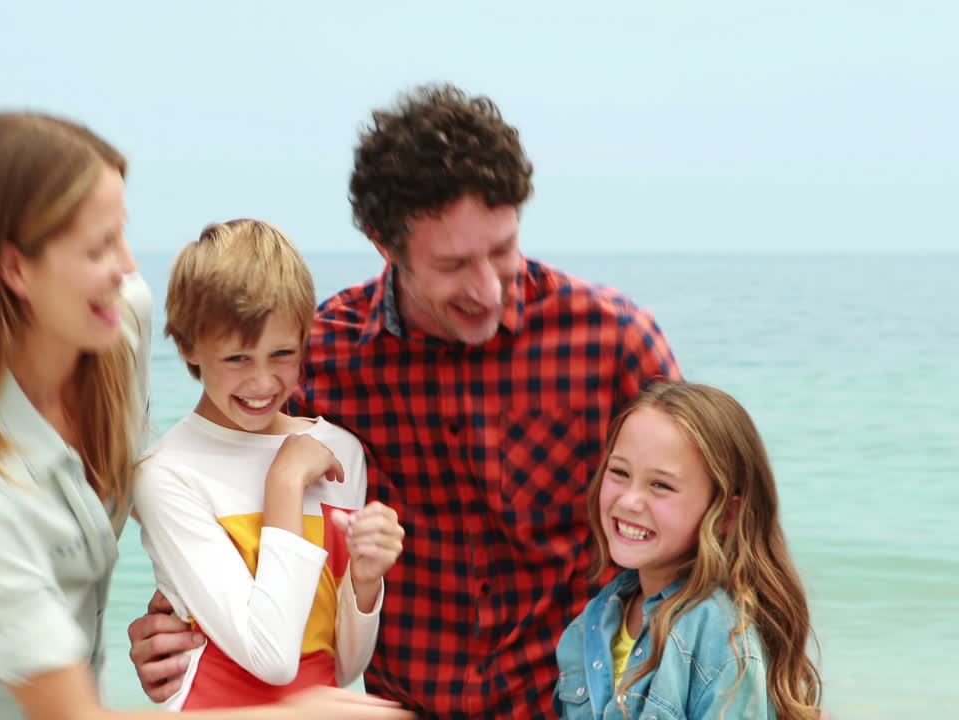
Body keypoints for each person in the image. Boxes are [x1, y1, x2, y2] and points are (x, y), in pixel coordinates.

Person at [127, 85, 679, 720]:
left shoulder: (613, 343)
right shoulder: (317, 359)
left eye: (502, 250)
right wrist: (175, 627)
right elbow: (239, 509)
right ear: (384, 244)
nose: (487, 289)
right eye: (453, 264)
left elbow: (716, 536)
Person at [0, 111, 412, 720]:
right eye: (98, 247)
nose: (127, 265)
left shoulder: (122, 322)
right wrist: (300, 713)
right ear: (15, 269)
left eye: (122, 232)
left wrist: (192, 607)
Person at [131, 219, 405, 709]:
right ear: (189, 345)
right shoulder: (166, 474)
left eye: (281, 354)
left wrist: (366, 582)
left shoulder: (340, 451)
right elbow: (273, 658)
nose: (262, 382)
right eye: (237, 358)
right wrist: (285, 481)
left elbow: (342, 666)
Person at [554, 380, 823, 719]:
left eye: (660, 484)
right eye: (619, 472)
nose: (629, 500)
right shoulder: (595, 620)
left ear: (726, 514)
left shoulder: (720, 637)